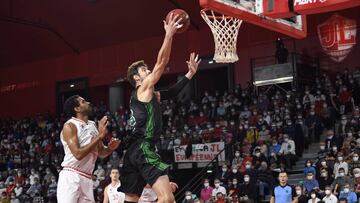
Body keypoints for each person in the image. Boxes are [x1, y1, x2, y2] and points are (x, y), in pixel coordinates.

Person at [118, 13, 201, 203]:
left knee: (130, 200)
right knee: (167, 199)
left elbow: (171, 92)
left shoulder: (149, 95)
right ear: (137, 79)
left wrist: (189, 74)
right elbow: (161, 63)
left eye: (147, 68)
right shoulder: (143, 89)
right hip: (143, 147)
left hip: (132, 153)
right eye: (144, 70)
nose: (148, 71)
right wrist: (169, 34)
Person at [57, 95, 120, 203]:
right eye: (83, 102)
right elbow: (78, 154)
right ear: (77, 109)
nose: (88, 102)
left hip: (87, 177)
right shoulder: (70, 126)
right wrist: (99, 136)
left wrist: (110, 148)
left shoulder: (92, 125)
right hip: (71, 175)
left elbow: (101, 152)